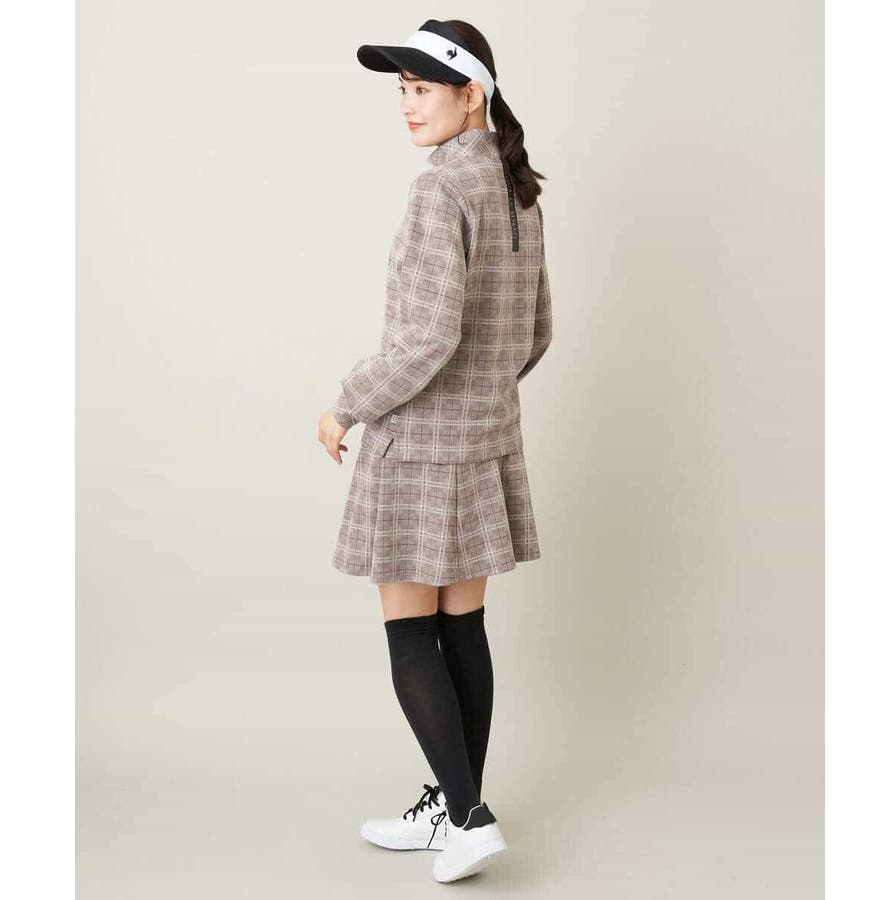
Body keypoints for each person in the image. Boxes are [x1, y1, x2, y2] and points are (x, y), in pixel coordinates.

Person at [317, 18, 553, 884]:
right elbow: (537, 331)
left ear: (471, 94)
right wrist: (484, 397)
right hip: (486, 442)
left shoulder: (440, 190)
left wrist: (347, 403)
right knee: (464, 628)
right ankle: (454, 809)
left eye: (423, 89)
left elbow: (425, 339)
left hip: (418, 449)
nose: (409, 106)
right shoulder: (518, 190)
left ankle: (469, 817)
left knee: (413, 632)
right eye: (402, 91)